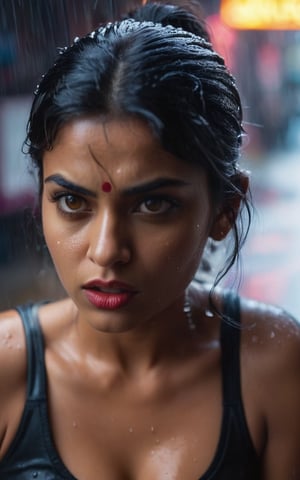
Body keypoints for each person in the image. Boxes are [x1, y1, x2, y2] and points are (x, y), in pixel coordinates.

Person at [0, 2, 299, 479]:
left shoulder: (273, 366)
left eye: (153, 205)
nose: (106, 249)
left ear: (224, 209)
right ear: (40, 198)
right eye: (73, 203)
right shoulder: (5, 367)